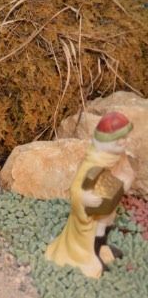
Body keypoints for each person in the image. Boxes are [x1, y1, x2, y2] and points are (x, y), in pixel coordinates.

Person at [45, 111, 136, 278]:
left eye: (125, 137)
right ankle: (92, 254)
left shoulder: (119, 156)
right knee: (94, 228)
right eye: (118, 139)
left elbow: (125, 171)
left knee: (105, 222)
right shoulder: (93, 161)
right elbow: (76, 188)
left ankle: (101, 248)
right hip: (91, 207)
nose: (124, 142)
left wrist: (124, 182)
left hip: (107, 200)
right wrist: (84, 198)